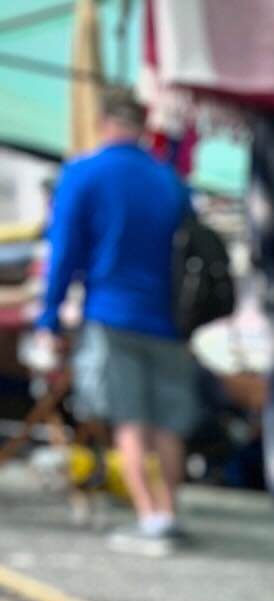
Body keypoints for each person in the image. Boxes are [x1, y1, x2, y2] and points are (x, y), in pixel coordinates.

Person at [35, 87, 197, 555]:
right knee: (167, 424)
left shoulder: (84, 173)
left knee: (130, 419)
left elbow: (63, 253)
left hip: (113, 312)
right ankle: (169, 512)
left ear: (104, 121)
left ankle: (149, 519)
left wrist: (49, 317)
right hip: (169, 319)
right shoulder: (169, 180)